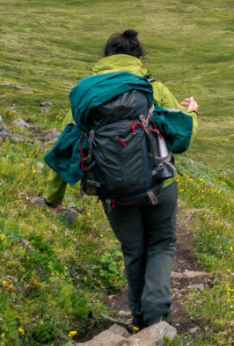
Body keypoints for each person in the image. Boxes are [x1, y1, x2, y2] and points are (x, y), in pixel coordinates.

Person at [44, 29, 199, 330]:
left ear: (106, 60)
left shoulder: (85, 96)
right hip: (160, 183)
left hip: (112, 189)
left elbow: (63, 148)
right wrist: (192, 112)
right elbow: (182, 135)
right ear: (139, 58)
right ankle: (158, 314)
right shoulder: (152, 88)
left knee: (134, 250)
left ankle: (139, 319)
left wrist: (52, 199)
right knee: (162, 243)